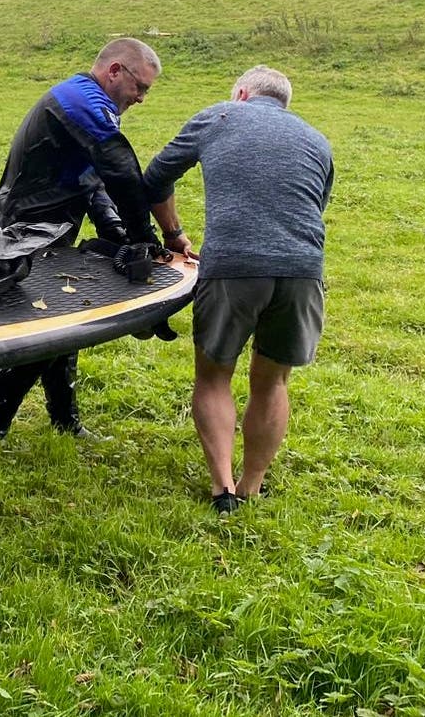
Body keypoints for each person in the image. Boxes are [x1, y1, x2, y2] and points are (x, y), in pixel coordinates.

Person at [144, 65, 333, 514]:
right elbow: (315, 205)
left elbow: (154, 179)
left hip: (233, 267)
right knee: (272, 382)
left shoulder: (222, 115)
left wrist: (173, 235)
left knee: (214, 376)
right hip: (303, 270)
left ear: (242, 94)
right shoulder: (316, 139)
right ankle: (252, 484)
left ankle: (222, 489)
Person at [0, 37, 173, 446]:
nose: (141, 99)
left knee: (63, 323)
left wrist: (118, 235)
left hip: (53, 230)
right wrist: (144, 239)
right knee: (43, 330)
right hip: (23, 233)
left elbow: (91, 184)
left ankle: (64, 421)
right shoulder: (80, 101)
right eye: (141, 88)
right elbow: (123, 175)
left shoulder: (88, 107)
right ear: (115, 71)